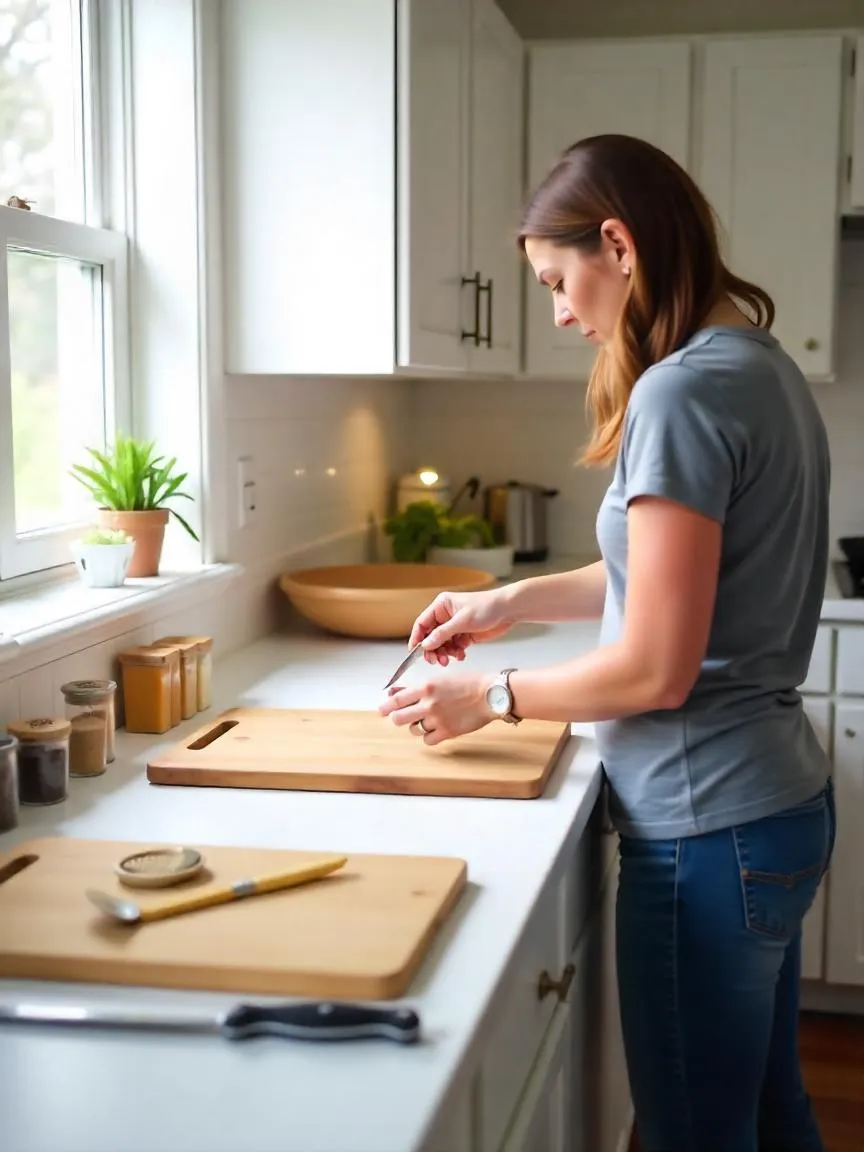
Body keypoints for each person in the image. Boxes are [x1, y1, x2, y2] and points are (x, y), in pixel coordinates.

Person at [379, 134, 836, 1152]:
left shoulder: (679, 392)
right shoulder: (753, 364)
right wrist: (511, 604)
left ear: (618, 245)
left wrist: (490, 696)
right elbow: (664, 581)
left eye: (556, 278)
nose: (556, 309)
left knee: (695, 1136)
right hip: (774, 807)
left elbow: (653, 665)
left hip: (707, 826)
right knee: (770, 1111)